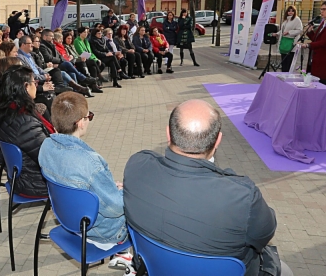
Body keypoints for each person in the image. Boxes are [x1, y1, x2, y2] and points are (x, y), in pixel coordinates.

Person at [123, 100, 293, 276]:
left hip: (155, 269)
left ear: (168, 133)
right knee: (284, 270)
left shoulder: (137, 166)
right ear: (218, 140)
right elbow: (264, 234)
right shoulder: (243, 197)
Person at [39, 92, 127, 244]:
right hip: (101, 230)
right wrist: (122, 192)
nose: (89, 120)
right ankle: (132, 259)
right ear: (80, 122)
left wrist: (110, 188)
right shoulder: (90, 162)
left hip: (67, 219)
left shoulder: (45, 146)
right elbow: (116, 209)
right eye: (89, 116)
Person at [0, 65, 53, 197]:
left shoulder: (9, 110)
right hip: (34, 183)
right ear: (26, 86)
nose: (36, 85)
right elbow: (48, 158)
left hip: (23, 176)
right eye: (34, 82)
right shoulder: (24, 122)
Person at [278, 5, 304, 73]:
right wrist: (277, 34)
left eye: (292, 11)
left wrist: (289, 32)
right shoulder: (286, 20)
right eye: (289, 11)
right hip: (284, 42)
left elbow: (300, 30)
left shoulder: (297, 19)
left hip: (291, 42)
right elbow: (283, 30)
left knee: (289, 61)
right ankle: (283, 74)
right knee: (283, 61)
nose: (290, 12)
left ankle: (287, 74)